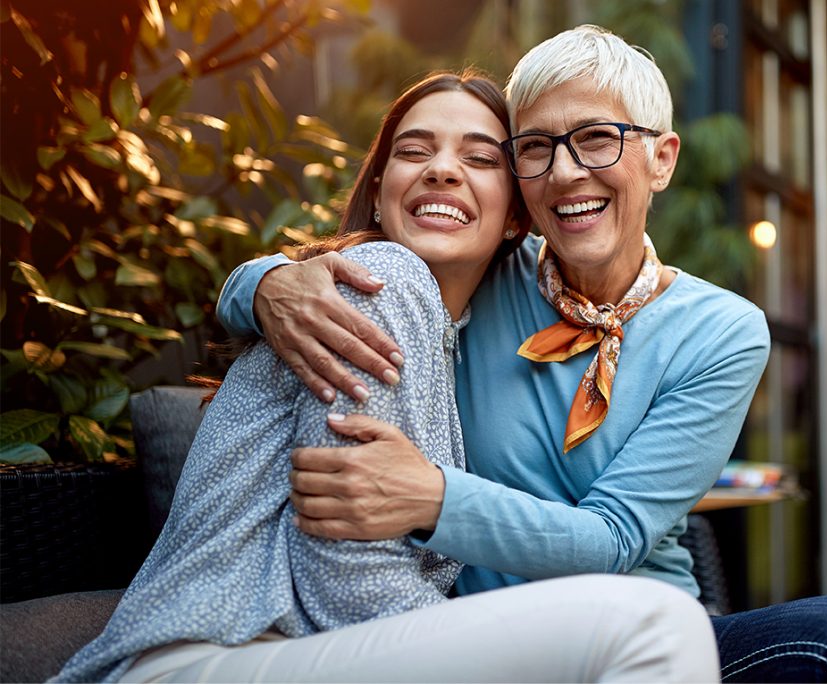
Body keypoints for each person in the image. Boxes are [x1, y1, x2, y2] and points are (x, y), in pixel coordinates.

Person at [219, 26, 827, 683]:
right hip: (482, 641)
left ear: (661, 159)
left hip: (651, 637)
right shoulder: (480, 274)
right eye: (535, 148)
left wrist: (432, 497)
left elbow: (615, 537)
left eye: (597, 138)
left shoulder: (723, 331)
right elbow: (363, 269)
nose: (565, 173)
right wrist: (262, 285)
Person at [57, 69, 718, 683]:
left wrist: (253, 282)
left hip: (303, 650)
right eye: (413, 151)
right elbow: (345, 575)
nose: (441, 171)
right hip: (215, 656)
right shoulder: (384, 282)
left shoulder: (454, 330)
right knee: (657, 625)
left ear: (518, 213)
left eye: (482, 159)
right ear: (377, 188)